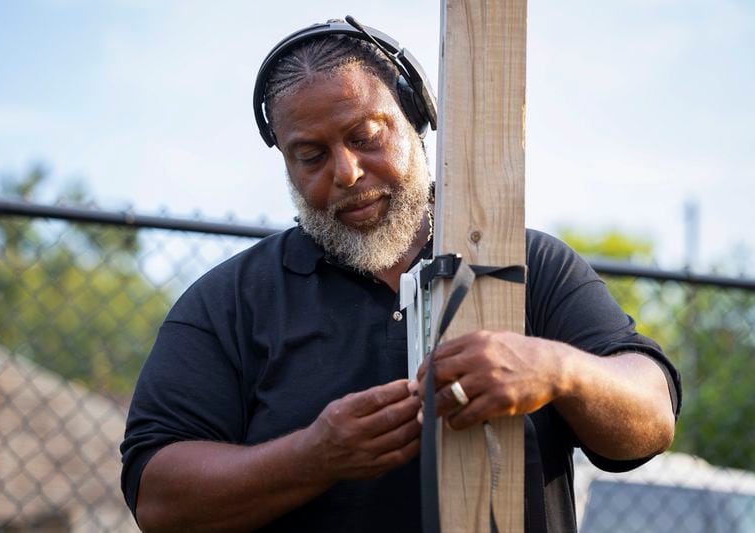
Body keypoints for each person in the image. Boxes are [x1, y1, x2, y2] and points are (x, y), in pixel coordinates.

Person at [121, 18, 681, 533]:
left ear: (417, 119)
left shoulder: (527, 265)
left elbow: (651, 416)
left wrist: (558, 369)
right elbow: (158, 498)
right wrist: (312, 456)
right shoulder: (230, 302)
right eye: (311, 156)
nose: (346, 172)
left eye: (366, 136)